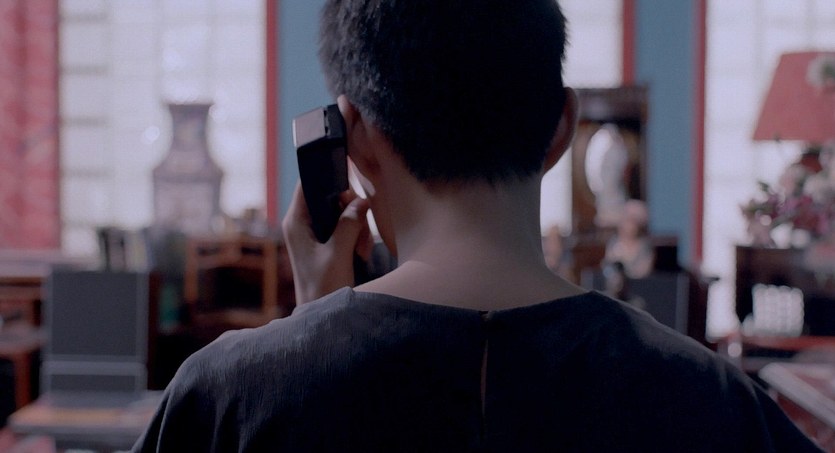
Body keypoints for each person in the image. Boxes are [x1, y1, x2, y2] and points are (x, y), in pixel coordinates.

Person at [133, 0, 822, 451]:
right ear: (562, 128)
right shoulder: (715, 401)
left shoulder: (226, 397)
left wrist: (315, 327)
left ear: (354, 139)